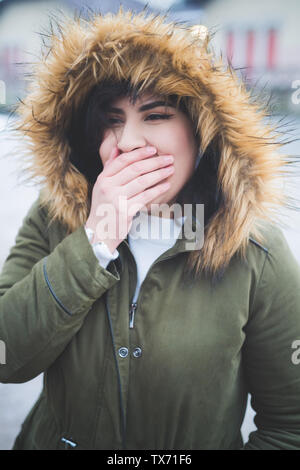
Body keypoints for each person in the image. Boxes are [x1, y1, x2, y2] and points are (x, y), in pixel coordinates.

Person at [0, 6, 300, 450]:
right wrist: (95, 240)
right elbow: (8, 355)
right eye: (112, 120)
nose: (127, 142)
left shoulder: (255, 250)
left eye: (156, 116)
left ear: (202, 132)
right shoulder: (54, 218)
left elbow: (289, 424)